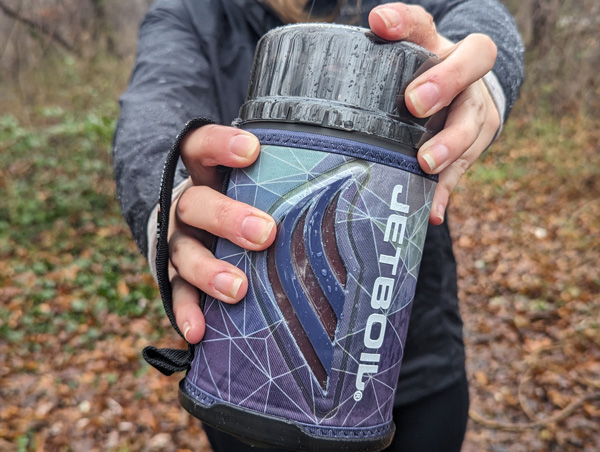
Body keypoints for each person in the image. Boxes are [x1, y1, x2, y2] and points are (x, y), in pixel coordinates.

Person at [113, 1, 524, 450]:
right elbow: (150, 120)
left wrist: (478, 84)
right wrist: (171, 205)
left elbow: (477, 15)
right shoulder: (192, 13)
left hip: (418, 362)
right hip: (247, 385)